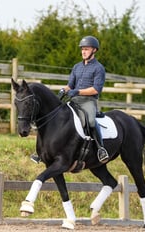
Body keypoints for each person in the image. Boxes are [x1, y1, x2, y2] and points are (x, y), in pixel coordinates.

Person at [31, 35, 109, 164]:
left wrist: (78, 91)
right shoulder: (76, 67)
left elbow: (96, 89)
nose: (83, 52)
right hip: (74, 100)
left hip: (88, 101)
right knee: (55, 118)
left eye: (87, 49)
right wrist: (64, 90)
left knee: (90, 122)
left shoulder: (98, 68)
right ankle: (41, 151)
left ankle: (101, 149)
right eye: (82, 49)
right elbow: (70, 85)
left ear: (94, 50)